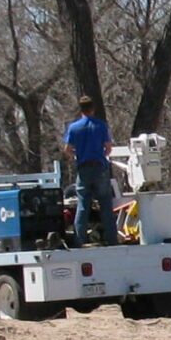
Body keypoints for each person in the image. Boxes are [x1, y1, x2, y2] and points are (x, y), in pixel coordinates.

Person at [64, 97, 115, 246]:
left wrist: (77, 155)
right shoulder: (101, 126)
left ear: (81, 109)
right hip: (99, 166)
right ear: (92, 108)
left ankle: (79, 240)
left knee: (83, 204)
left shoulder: (74, 127)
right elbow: (108, 148)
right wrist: (101, 155)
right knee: (105, 203)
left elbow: (67, 149)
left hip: (83, 167)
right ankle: (112, 239)